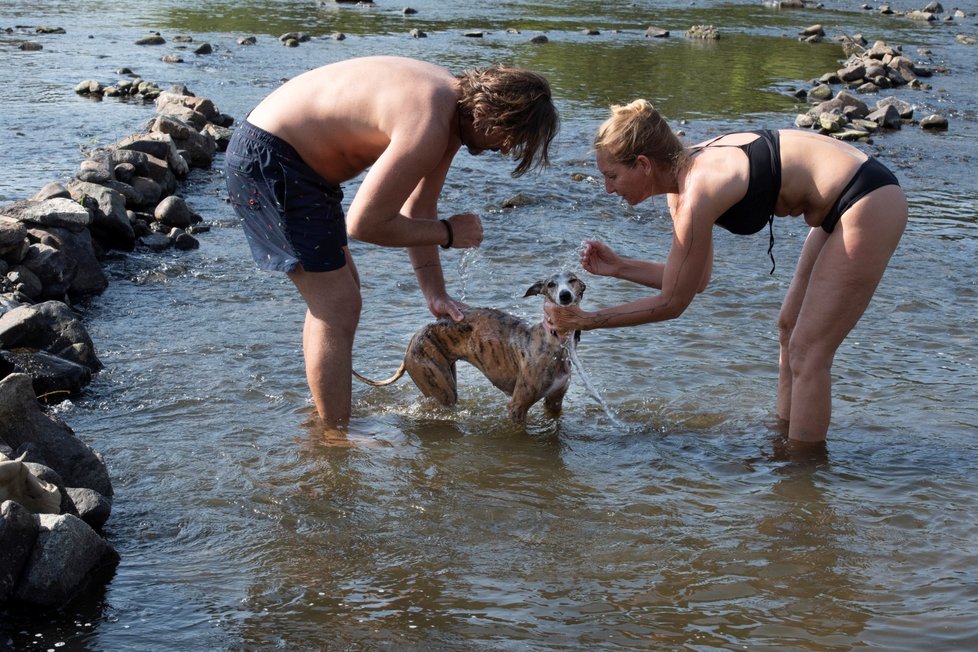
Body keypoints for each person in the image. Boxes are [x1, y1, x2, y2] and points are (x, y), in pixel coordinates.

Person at [544, 99, 906, 446]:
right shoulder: (681, 185)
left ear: (643, 164)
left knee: (809, 351)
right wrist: (621, 267)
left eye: (612, 176)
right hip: (845, 199)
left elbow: (672, 302)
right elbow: (695, 281)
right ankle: (785, 439)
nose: (608, 189)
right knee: (788, 330)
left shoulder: (699, 190)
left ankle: (801, 477)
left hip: (867, 199)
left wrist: (587, 320)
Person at [224, 56, 559, 431]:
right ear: (489, 115)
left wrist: (436, 293)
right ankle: (334, 438)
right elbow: (364, 224)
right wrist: (448, 233)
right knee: (337, 305)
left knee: (343, 294)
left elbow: (419, 207)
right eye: (511, 137)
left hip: (294, 160)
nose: (506, 149)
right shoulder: (430, 123)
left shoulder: (451, 109)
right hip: (274, 158)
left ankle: (327, 419)